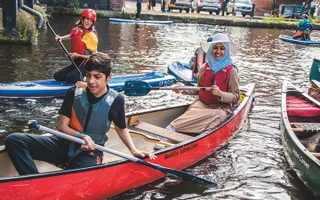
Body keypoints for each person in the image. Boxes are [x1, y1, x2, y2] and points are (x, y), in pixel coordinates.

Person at [4, 52, 156, 176]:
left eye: (97, 77)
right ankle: (34, 180)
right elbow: (62, 126)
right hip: (63, 144)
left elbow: (122, 128)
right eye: (88, 75)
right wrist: (82, 136)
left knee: (74, 178)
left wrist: (134, 150)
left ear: (109, 77)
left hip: (91, 151)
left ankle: (55, 177)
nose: (91, 81)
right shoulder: (73, 93)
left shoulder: (116, 100)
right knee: (14, 140)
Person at [168, 33, 240, 135]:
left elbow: (236, 96)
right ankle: (173, 128)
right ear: (211, 49)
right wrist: (182, 89)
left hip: (221, 108)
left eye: (222, 48)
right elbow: (199, 89)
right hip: (202, 104)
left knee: (218, 116)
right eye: (215, 48)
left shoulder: (232, 71)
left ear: (226, 50)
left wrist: (220, 94)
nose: (218, 51)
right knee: (191, 113)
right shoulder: (204, 68)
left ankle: (201, 134)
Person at [54, 9, 98, 84]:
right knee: (57, 76)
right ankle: (77, 75)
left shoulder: (91, 36)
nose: (88, 22)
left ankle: (87, 78)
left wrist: (77, 55)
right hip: (77, 63)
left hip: (88, 65)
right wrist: (61, 38)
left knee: (69, 78)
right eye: (87, 19)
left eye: (91, 21)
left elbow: (94, 56)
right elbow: (72, 36)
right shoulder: (78, 29)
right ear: (82, 19)